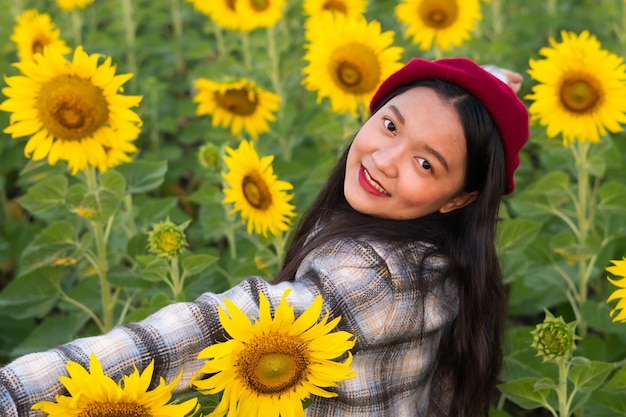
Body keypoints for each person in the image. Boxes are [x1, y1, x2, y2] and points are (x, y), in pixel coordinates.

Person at [0, 57, 529, 417]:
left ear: (459, 198)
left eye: (424, 162)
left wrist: (17, 394)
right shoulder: (446, 257)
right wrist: (492, 84)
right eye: (390, 125)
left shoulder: (376, 280)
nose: (385, 160)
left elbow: (212, 332)